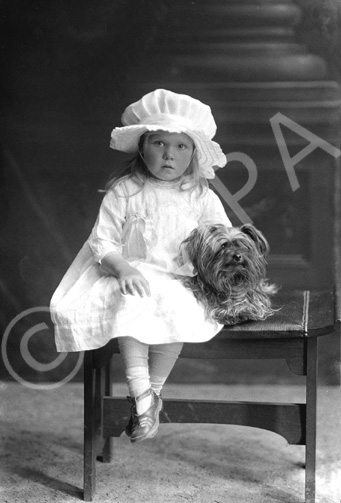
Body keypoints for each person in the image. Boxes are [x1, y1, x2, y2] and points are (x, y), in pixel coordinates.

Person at [50, 89, 232, 443]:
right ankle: (140, 394)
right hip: (130, 271)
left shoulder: (199, 194)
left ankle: (153, 392)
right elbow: (102, 241)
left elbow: (222, 237)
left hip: (179, 276)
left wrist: (206, 260)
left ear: (194, 153)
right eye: (160, 143)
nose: (169, 154)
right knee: (132, 300)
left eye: (182, 147)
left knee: (177, 306)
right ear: (142, 146)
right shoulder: (126, 191)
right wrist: (123, 269)